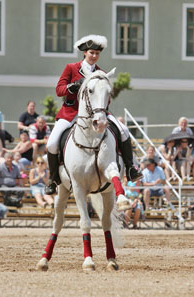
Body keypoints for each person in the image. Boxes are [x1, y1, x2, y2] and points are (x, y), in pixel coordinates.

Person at [45, 34, 142, 195]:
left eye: (97, 54)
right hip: (71, 113)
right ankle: (54, 179)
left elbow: (106, 98)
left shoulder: (101, 73)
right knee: (51, 143)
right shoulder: (71, 68)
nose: (94, 56)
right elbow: (58, 90)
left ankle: (131, 168)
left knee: (124, 130)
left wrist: (102, 109)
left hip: (96, 113)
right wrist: (71, 87)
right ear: (85, 53)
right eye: (91, 53)